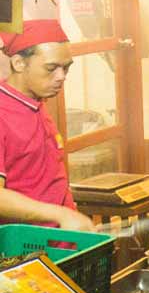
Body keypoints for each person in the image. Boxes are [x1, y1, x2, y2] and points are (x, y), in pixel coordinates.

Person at [0, 19, 94, 230]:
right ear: (18, 63)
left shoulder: (37, 101)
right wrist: (60, 214)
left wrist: (71, 213)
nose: (61, 77)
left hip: (63, 241)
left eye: (66, 68)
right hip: (27, 249)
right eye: (51, 68)